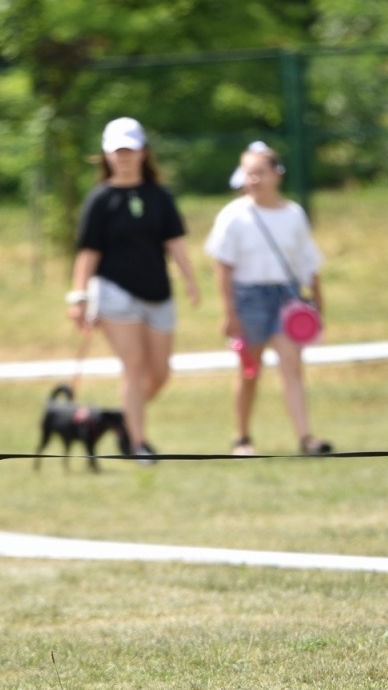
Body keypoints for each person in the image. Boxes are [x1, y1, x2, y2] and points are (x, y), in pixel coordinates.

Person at [66, 117, 200, 463]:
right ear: (107, 155)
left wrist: (190, 279)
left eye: (130, 149)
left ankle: (124, 419)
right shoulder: (100, 199)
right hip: (115, 293)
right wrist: (78, 296)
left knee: (160, 373)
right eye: (117, 151)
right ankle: (138, 444)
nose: (123, 157)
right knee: (134, 365)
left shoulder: (160, 196)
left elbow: (174, 241)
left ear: (143, 152)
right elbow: (88, 252)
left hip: (158, 292)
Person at [205, 142, 331, 456]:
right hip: (248, 298)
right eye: (249, 173)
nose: (254, 179)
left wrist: (317, 303)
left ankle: (305, 438)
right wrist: (229, 312)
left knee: (292, 366)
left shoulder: (293, 214)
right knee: (250, 370)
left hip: (286, 298)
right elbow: (222, 268)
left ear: (277, 174)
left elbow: (308, 263)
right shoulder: (234, 215)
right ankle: (242, 437)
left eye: (260, 172)